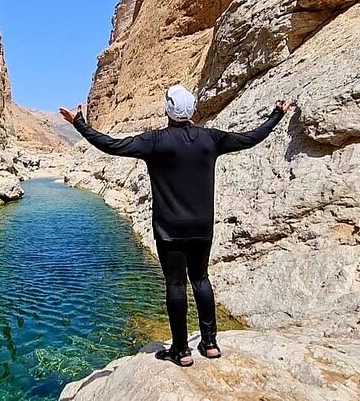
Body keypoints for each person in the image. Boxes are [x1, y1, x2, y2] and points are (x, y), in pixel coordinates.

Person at [60, 85, 293, 367]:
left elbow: (111, 145)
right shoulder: (211, 139)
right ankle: (210, 344)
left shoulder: (155, 141)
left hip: (169, 229)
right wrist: (277, 114)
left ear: (167, 110)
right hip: (202, 226)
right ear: (193, 110)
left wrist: (79, 123)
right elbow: (251, 138)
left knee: (175, 284)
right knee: (201, 280)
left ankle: (181, 351)